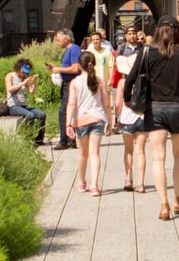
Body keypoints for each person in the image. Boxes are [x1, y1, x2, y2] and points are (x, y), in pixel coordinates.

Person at [126, 19, 179, 220]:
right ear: (176, 32)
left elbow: (131, 78)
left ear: (157, 31)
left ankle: (163, 205)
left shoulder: (148, 52)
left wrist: (127, 99)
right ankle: (178, 200)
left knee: (158, 157)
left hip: (155, 109)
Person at [65, 50, 110, 195]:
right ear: (94, 64)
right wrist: (109, 120)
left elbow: (71, 104)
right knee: (95, 153)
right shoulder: (100, 81)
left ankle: (81, 182)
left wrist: (68, 123)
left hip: (81, 120)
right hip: (98, 118)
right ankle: (95, 185)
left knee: (82, 153)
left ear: (79, 65)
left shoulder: (75, 82)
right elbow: (107, 103)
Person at [113, 25, 146, 191]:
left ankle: (128, 179)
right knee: (141, 151)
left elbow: (118, 103)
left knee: (128, 150)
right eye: (130, 33)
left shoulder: (122, 82)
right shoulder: (144, 80)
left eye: (134, 33)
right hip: (142, 117)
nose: (132, 36)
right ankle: (140, 183)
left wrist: (116, 119)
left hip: (126, 118)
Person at [0, 57, 47, 144]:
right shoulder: (10, 76)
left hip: (23, 105)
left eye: (26, 72)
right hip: (13, 106)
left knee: (42, 114)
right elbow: (9, 89)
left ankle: (39, 139)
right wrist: (22, 83)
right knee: (30, 115)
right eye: (23, 71)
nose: (25, 74)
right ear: (18, 68)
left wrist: (35, 82)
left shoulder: (25, 77)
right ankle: (28, 137)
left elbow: (32, 92)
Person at [51, 30, 82, 149]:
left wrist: (59, 70)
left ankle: (65, 140)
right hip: (66, 83)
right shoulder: (68, 50)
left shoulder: (74, 49)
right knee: (68, 111)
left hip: (71, 83)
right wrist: (56, 68)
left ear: (66, 38)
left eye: (58, 40)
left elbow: (75, 69)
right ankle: (71, 138)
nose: (57, 43)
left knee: (64, 111)